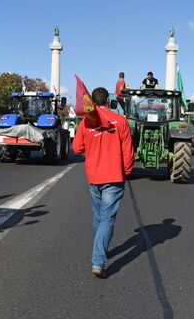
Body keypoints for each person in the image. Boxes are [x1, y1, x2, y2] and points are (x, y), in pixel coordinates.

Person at [72, 87, 135, 279]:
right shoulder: (121, 121)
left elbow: (76, 148)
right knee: (107, 219)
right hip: (114, 177)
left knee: (98, 217)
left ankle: (100, 248)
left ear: (93, 101)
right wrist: (126, 171)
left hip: (94, 176)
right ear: (108, 100)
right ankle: (98, 261)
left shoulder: (86, 122)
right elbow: (128, 151)